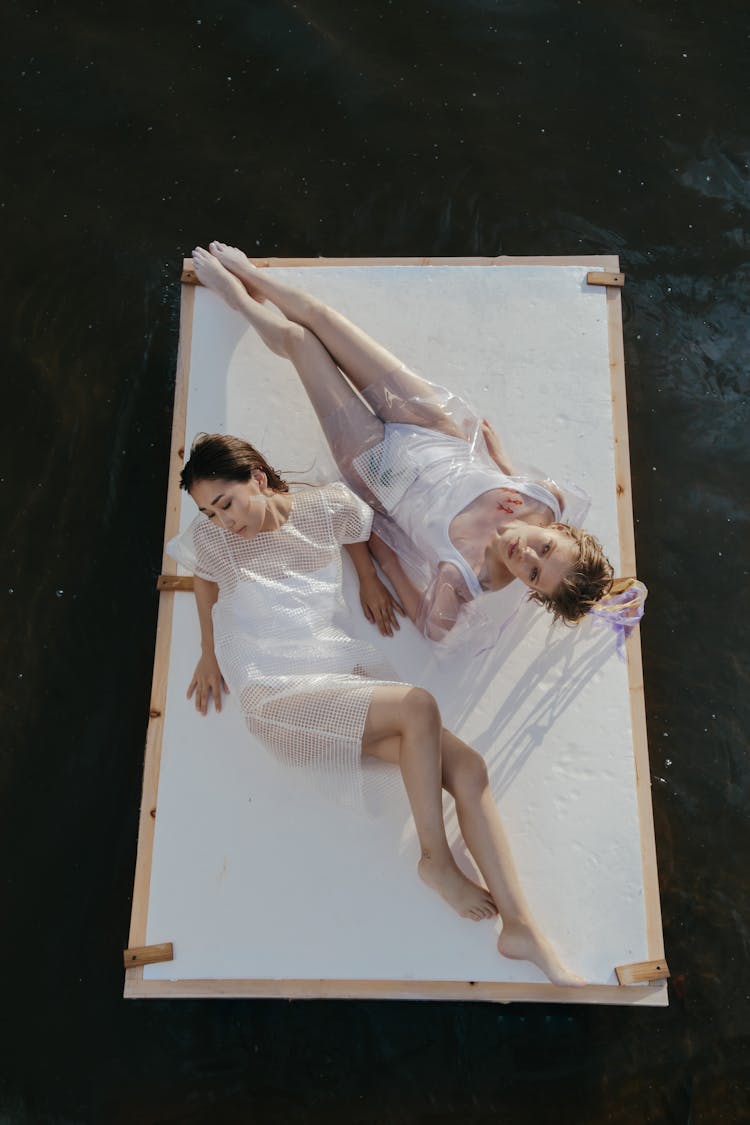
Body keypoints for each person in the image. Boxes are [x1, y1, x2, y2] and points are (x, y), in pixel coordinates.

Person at [168, 429, 584, 987]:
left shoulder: (323, 507)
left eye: (226, 503)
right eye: (209, 512)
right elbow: (203, 575)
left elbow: (352, 528)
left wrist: (368, 579)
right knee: (419, 708)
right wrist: (208, 651)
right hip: (276, 699)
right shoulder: (215, 541)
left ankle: (521, 928)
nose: (223, 521)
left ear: (258, 480)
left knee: (467, 768)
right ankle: (436, 861)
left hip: (332, 680)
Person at [188, 242, 643, 645]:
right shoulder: (548, 500)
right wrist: (500, 458)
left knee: (301, 342)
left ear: (531, 589)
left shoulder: (466, 579)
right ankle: (252, 276)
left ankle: (236, 298)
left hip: (380, 470)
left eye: (534, 574)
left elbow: (431, 628)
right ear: (558, 531)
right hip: (432, 428)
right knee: (326, 321)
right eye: (544, 549)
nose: (525, 555)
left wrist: (377, 558)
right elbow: (514, 480)